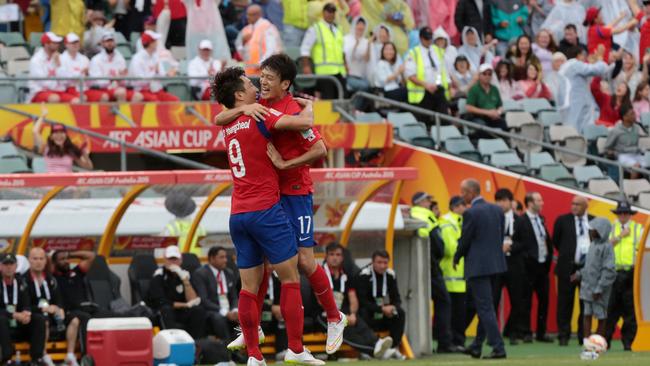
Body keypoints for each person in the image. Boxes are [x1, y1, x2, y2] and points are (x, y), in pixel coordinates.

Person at [214, 55, 343, 358]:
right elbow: (222, 113)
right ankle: (259, 332)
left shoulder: (291, 108)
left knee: (305, 263)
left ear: (286, 83)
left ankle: (335, 317)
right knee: (271, 267)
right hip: (269, 199)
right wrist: (244, 107)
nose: (262, 82)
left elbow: (321, 148)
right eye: (260, 77)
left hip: (294, 192)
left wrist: (288, 162)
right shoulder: (257, 109)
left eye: (269, 77)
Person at [453, 178, 506, 359]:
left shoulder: (471, 213)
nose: (461, 196)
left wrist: (457, 257)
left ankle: (498, 347)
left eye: (463, 192)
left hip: (478, 266)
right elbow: (500, 236)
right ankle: (476, 345)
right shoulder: (497, 210)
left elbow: (465, 239)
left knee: (484, 308)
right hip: (496, 264)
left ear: (470, 192)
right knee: (487, 306)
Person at [317, 244, 394, 359]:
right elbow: (320, 301)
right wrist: (339, 316)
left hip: (342, 313)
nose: (335, 258)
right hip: (324, 314)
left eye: (338, 255)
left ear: (342, 257)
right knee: (344, 329)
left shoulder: (346, 275)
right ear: (326, 256)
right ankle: (375, 351)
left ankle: (378, 343)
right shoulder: (319, 273)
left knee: (357, 319)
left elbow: (353, 298)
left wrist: (352, 314)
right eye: (331, 254)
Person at [409, 192, 454, 353]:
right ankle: (444, 342)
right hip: (431, 267)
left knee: (417, 304)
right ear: (420, 202)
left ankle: (418, 341)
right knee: (444, 302)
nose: (430, 203)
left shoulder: (410, 214)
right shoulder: (427, 215)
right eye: (428, 200)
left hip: (412, 266)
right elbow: (438, 244)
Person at [25, 247, 80, 366]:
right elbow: (24, 306)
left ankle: (70, 355)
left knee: (74, 320)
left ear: (46, 261)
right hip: (35, 316)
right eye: (35, 258)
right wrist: (43, 309)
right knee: (42, 321)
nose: (38, 262)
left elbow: (58, 300)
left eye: (41, 258)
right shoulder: (24, 280)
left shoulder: (51, 279)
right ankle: (44, 355)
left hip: (51, 314)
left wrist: (59, 308)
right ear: (29, 260)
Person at [513, 192, 553, 343]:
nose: (542, 203)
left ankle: (541, 332)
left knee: (544, 300)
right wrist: (525, 254)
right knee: (526, 301)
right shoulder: (521, 221)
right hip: (528, 266)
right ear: (530, 203)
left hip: (542, 266)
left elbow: (545, 240)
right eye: (539, 200)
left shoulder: (541, 220)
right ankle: (526, 332)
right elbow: (515, 242)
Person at [553, 196, 593, 346]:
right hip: (568, 269)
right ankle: (563, 335)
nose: (574, 206)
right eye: (573, 204)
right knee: (565, 303)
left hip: (587, 270)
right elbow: (556, 241)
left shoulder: (593, 221)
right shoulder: (562, 220)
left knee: (585, 304)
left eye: (578, 204)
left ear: (585, 206)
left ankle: (584, 335)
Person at [355, 250, 406, 360]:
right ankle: (368, 349)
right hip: (368, 312)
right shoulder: (364, 274)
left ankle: (393, 348)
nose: (382, 266)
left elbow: (396, 298)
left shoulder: (390, 274)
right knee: (363, 312)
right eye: (379, 262)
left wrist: (393, 307)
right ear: (372, 262)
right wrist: (381, 309)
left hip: (382, 311)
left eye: (385, 263)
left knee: (399, 313)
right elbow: (362, 301)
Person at [147, 246, 206, 339]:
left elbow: (193, 300)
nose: (173, 262)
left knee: (198, 310)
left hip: (181, 311)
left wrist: (185, 280)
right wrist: (186, 305)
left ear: (180, 260)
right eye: (170, 259)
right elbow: (161, 301)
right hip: (165, 311)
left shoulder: (185, 274)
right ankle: (173, 342)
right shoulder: (158, 276)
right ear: (165, 260)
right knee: (166, 309)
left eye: (175, 259)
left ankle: (194, 342)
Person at [605, 200, 642, 350]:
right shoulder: (611, 228)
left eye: (626, 212)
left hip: (631, 273)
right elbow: (605, 247)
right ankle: (605, 342)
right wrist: (620, 236)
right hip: (613, 273)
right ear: (617, 214)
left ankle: (629, 342)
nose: (623, 215)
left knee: (630, 311)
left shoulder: (639, 228)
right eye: (620, 212)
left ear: (630, 214)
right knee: (610, 310)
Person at [0, 253, 48, 366]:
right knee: (1, 320)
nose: (9, 267)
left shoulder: (21, 281)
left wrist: (26, 313)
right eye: (5, 264)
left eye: (11, 264)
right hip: (4, 324)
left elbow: (27, 303)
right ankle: (7, 359)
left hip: (19, 323)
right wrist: (13, 315)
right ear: (0, 266)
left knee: (38, 319)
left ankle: (36, 359)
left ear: (16, 266)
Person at [494, 188, 527, 345]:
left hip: (514, 265)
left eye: (504, 200)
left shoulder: (519, 220)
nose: (501, 204)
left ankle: (513, 333)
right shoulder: (492, 218)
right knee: (492, 299)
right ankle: (492, 334)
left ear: (510, 202)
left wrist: (511, 247)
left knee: (517, 300)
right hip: (496, 264)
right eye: (498, 201)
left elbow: (525, 243)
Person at [577, 218, 616, 343]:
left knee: (601, 315)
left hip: (599, 290)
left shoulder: (607, 247)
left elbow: (608, 270)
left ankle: (598, 342)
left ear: (602, 231)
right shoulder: (593, 245)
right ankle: (587, 342)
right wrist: (578, 274)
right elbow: (588, 267)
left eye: (594, 229)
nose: (591, 231)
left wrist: (599, 288)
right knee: (586, 314)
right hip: (587, 288)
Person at [300, 2, 347, 100]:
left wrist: (346, 65)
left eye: (333, 11)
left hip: (339, 72)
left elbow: (341, 50)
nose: (331, 14)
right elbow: (305, 48)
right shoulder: (316, 28)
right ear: (323, 12)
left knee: (342, 100)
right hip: (324, 72)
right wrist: (306, 66)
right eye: (328, 11)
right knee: (328, 101)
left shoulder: (338, 29)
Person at [439, 196, 468, 351]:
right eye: (464, 206)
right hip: (452, 275)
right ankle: (453, 342)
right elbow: (450, 249)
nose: (466, 209)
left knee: (457, 313)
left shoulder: (457, 222)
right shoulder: (448, 223)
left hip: (458, 276)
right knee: (453, 313)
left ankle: (457, 341)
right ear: (456, 207)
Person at [191, 246, 239, 341]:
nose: (225, 260)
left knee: (245, 316)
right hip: (212, 310)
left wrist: (235, 310)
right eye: (221, 257)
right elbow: (204, 300)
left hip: (229, 309)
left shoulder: (229, 273)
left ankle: (245, 350)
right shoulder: (200, 274)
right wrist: (225, 312)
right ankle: (228, 350)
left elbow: (234, 296)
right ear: (212, 259)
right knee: (218, 319)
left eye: (225, 257)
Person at [559, 45, 608, 133]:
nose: (585, 58)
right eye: (584, 55)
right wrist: (600, 58)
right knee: (575, 131)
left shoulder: (566, 66)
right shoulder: (574, 64)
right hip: (575, 103)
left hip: (570, 103)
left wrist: (594, 61)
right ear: (578, 55)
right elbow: (597, 70)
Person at [405, 26, 450, 120]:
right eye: (426, 38)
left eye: (430, 38)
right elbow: (410, 75)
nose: (429, 41)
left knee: (444, 120)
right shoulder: (414, 53)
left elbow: (442, 71)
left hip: (438, 91)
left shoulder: (438, 51)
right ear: (421, 38)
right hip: (422, 93)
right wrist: (426, 85)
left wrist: (439, 84)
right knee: (424, 121)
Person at [32, 106, 93, 173]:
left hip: (67, 181)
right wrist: (43, 116)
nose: (59, 136)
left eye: (61, 133)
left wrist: (85, 156)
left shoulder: (71, 149)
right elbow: (35, 131)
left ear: (66, 136)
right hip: (52, 181)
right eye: (56, 133)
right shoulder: (46, 147)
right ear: (51, 137)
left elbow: (88, 167)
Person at [88, 31, 142, 102]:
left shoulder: (120, 58)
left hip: (118, 87)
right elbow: (96, 81)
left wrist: (123, 78)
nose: (109, 43)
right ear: (102, 44)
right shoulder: (96, 60)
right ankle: (117, 112)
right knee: (121, 92)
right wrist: (112, 79)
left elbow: (126, 80)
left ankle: (129, 113)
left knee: (138, 96)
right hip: (104, 89)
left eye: (111, 41)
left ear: (115, 43)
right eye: (107, 41)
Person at [128, 30, 180, 102]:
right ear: (150, 43)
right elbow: (138, 82)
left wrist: (167, 74)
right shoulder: (137, 59)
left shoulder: (155, 56)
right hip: (142, 91)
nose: (157, 43)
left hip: (157, 90)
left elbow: (161, 75)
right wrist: (153, 73)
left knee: (175, 100)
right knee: (156, 102)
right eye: (155, 41)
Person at [29, 32, 79, 103]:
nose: (57, 45)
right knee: (55, 98)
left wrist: (58, 64)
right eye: (54, 43)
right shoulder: (36, 60)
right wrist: (58, 85)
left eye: (58, 43)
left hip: (57, 91)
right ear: (46, 44)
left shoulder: (58, 57)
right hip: (39, 91)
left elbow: (65, 79)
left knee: (76, 101)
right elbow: (42, 81)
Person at [236, 4, 283, 77]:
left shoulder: (268, 27)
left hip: (264, 71)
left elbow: (272, 49)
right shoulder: (246, 29)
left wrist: (261, 64)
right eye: (247, 14)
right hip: (249, 71)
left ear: (258, 15)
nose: (247, 17)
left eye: (251, 15)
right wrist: (243, 41)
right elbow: (240, 50)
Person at [465, 63, 508, 131]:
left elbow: (500, 106)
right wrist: (487, 112)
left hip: (493, 118)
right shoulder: (474, 89)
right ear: (479, 75)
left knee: (504, 124)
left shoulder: (494, 89)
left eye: (489, 74)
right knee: (483, 128)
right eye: (484, 73)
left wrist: (497, 113)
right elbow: (469, 107)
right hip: (479, 118)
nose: (487, 76)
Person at [162, 191, 206, 257]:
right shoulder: (199, 227)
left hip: (178, 263)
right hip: (197, 263)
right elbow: (205, 250)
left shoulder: (171, 228)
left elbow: (162, 252)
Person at [604, 103, 646, 171]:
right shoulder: (616, 131)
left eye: (634, 113)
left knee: (644, 164)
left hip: (636, 154)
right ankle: (633, 181)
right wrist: (613, 152)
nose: (635, 116)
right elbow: (607, 148)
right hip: (622, 156)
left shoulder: (637, 128)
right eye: (632, 114)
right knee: (636, 166)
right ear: (625, 117)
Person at [344, 17, 371, 97]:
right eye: (358, 24)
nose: (360, 27)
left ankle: (354, 108)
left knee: (367, 90)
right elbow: (349, 57)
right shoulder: (346, 39)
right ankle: (354, 108)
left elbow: (367, 59)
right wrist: (356, 44)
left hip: (362, 76)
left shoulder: (366, 41)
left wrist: (369, 44)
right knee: (365, 87)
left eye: (363, 25)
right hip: (349, 75)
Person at [57, 33, 90, 101]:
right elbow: (64, 80)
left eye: (77, 42)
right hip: (68, 88)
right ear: (66, 44)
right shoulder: (61, 58)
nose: (75, 45)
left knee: (103, 96)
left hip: (84, 88)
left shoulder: (85, 59)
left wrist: (87, 74)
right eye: (72, 43)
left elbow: (90, 79)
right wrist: (81, 73)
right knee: (82, 98)